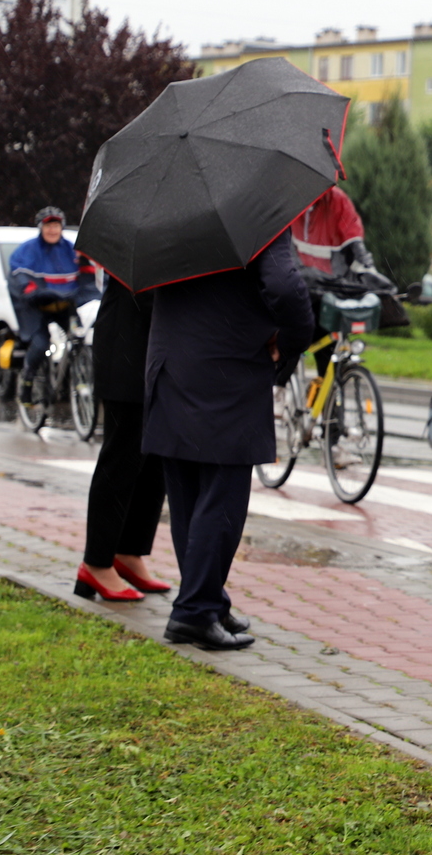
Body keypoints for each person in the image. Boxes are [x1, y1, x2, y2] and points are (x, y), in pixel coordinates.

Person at [143, 231, 314, 650]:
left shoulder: (173, 208)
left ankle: (206, 601)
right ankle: (195, 612)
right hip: (224, 371)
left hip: (170, 360)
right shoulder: (257, 209)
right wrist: (292, 341)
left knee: (188, 497)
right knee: (221, 497)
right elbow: (283, 286)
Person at [74, 273, 170, 603]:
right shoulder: (134, 228)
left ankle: (129, 552)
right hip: (126, 352)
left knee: (154, 459)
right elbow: (144, 289)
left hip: (156, 353)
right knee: (122, 457)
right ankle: (96, 562)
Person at [290, 184, 396, 376]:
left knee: (327, 350)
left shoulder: (337, 200)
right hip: (301, 285)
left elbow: (354, 241)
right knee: (293, 339)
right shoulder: (290, 200)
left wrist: (371, 274)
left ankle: (329, 401)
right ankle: (280, 386)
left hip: (329, 286)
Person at [8, 206, 99, 407]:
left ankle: (76, 377)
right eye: (48, 225)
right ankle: (27, 383)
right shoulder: (28, 251)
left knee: (79, 337)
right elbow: (21, 278)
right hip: (36, 306)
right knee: (40, 344)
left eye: (56, 225)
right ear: (41, 227)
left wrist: (89, 293)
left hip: (64, 304)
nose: (52, 230)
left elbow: (87, 277)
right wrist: (33, 290)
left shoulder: (72, 250)